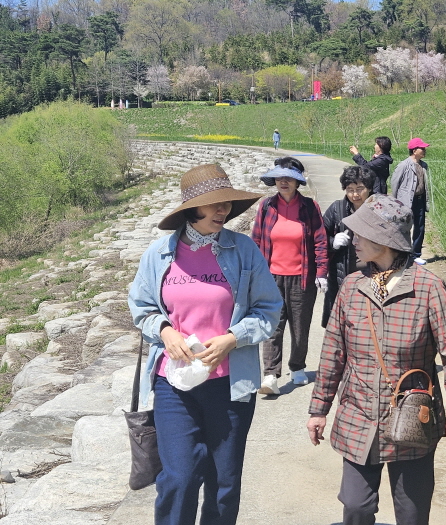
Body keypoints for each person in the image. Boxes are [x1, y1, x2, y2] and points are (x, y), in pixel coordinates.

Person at [127, 164, 283, 525]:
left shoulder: (243, 250)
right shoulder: (158, 254)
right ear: (192, 209)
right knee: (178, 478)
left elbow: (269, 309)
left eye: (227, 203)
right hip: (173, 385)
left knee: (223, 482)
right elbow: (142, 308)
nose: (223, 210)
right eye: (214, 204)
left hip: (230, 386)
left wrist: (233, 338)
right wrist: (165, 331)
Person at [307, 194, 446, 525]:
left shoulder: (428, 288)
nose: (353, 239)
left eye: (360, 233)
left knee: (412, 514)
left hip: (413, 420)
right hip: (359, 415)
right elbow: (332, 353)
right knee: (356, 507)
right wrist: (318, 409)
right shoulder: (352, 287)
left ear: (383, 240)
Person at [251, 156, 328, 395]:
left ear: (297, 182)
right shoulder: (266, 206)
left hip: (302, 278)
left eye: (289, 179)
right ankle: (270, 375)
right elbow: (256, 241)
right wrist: (254, 274)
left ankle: (297, 366)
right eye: (279, 178)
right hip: (271, 277)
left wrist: (322, 272)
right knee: (273, 326)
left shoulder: (310, 207)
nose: (283, 182)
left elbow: (320, 241)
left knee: (300, 326)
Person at [321, 165, 376, 328]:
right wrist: (332, 242)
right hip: (342, 275)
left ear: (369, 188)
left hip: (373, 276)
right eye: (350, 190)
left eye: (360, 189)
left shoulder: (379, 209)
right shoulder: (337, 209)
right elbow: (319, 238)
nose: (355, 195)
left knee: (370, 321)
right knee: (341, 322)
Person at [391, 137, 430, 265]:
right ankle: (402, 254)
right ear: (414, 151)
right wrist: (396, 202)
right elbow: (395, 183)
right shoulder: (404, 165)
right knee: (404, 227)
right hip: (406, 202)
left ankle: (416, 255)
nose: (424, 150)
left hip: (420, 200)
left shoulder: (424, 165)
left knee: (420, 227)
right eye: (422, 148)